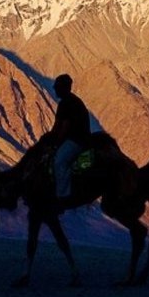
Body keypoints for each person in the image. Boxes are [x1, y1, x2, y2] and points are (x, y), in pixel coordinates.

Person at [49, 74, 92, 205]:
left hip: (76, 140)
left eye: (57, 87)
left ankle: (62, 196)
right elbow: (58, 125)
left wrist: (55, 141)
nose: (56, 90)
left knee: (59, 162)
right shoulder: (73, 101)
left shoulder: (67, 103)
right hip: (77, 139)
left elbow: (63, 126)